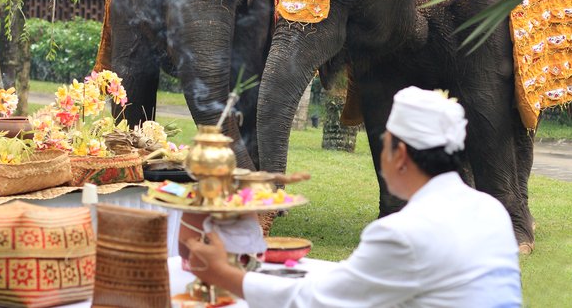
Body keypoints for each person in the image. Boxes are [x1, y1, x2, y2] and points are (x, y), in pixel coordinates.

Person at [185, 86, 523, 307]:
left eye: (383, 143)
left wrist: (224, 274)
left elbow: (315, 303)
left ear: (400, 154)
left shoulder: (403, 233)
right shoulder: (490, 210)